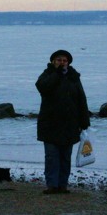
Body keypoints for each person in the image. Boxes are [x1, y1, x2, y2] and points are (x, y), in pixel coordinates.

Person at [36, 49, 90, 194]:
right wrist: (57, 74)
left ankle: (63, 185)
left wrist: (84, 121)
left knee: (66, 157)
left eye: (64, 60)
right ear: (53, 61)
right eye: (59, 60)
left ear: (68, 62)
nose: (62, 63)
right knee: (52, 156)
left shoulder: (74, 77)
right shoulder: (47, 75)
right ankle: (51, 185)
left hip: (70, 124)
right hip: (50, 123)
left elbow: (81, 99)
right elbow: (43, 87)